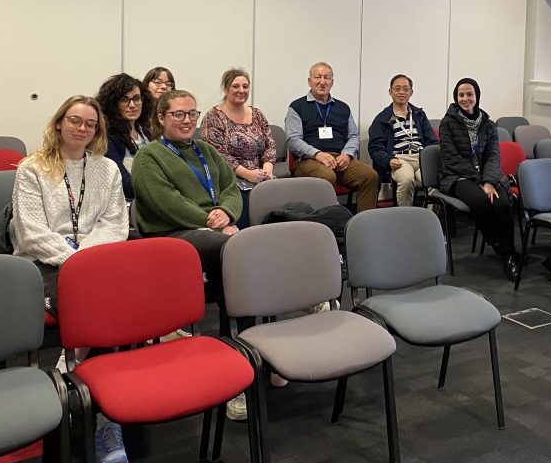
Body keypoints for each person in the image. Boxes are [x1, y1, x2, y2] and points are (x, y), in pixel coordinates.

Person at [10, 95, 129, 463]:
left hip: (95, 262)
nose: (82, 128)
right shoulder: (32, 168)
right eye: (75, 120)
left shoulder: (107, 169)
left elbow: (115, 224)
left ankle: (77, 379)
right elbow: (30, 232)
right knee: (97, 308)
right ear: (59, 123)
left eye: (90, 123)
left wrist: (88, 259)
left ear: (98, 130)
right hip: (45, 263)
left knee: (124, 305)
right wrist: (77, 260)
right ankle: (104, 416)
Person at [131, 89, 242, 301]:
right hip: (172, 231)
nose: (188, 120)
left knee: (261, 241)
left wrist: (227, 212)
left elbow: (230, 187)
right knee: (235, 247)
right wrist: (213, 223)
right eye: (179, 114)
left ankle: (263, 310)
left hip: (213, 225)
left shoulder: (206, 150)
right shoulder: (148, 156)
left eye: (192, 114)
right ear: (161, 118)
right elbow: (167, 203)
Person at [438, 78, 522, 280]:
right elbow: (451, 159)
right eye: (461, 95)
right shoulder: (447, 123)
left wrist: (488, 181)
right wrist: (479, 180)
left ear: (477, 96)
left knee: (502, 203)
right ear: (455, 98)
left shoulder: (489, 124)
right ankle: (506, 252)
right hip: (457, 176)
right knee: (480, 201)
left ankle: (506, 251)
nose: (465, 99)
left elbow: (493, 156)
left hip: (489, 176)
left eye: (469, 94)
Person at [285, 62, 378, 212]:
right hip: (309, 161)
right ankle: (324, 224)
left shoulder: (343, 108)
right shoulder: (297, 107)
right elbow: (293, 140)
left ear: (332, 82)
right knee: (326, 176)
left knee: (369, 175)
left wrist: (347, 154)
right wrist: (317, 154)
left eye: (326, 77)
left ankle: (364, 224)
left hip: (339, 159)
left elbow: (354, 135)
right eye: (317, 77)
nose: (322, 81)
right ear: (309, 81)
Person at [199, 67, 275, 228]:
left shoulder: (258, 114)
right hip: (230, 178)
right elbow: (218, 154)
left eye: (245, 86)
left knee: (278, 202)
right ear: (226, 89)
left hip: (261, 175)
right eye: (236, 86)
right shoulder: (213, 117)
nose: (241, 90)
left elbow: (270, 144)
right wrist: (247, 174)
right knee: (248, 206)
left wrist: (268, 168)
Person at [368, 74, 437, 207]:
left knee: (435, 181)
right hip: (399, 159)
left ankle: (430, 218)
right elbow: (375, 147)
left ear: (411, 92)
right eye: (397, 88)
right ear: (390, 92)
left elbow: (432, 141)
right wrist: (388, 160)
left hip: (421, 158)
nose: (401, 92)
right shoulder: (382, 118)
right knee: (406, 180)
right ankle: (405, 218)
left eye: (405, 89)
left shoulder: (419, 115)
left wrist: (431, 159)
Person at [96, 73, 152, 200]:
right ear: (113, 104)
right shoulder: (108, 138)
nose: (132, 105)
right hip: (128, 205)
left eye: (137, 98)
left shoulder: (146, 133)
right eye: (124, 99)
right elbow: (125, 185)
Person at [142, 66, 175, 136]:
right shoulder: (138, 108)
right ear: (146, 84)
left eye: (168, 84)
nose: (164, 86)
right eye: (158, 82)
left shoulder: (173, 111)